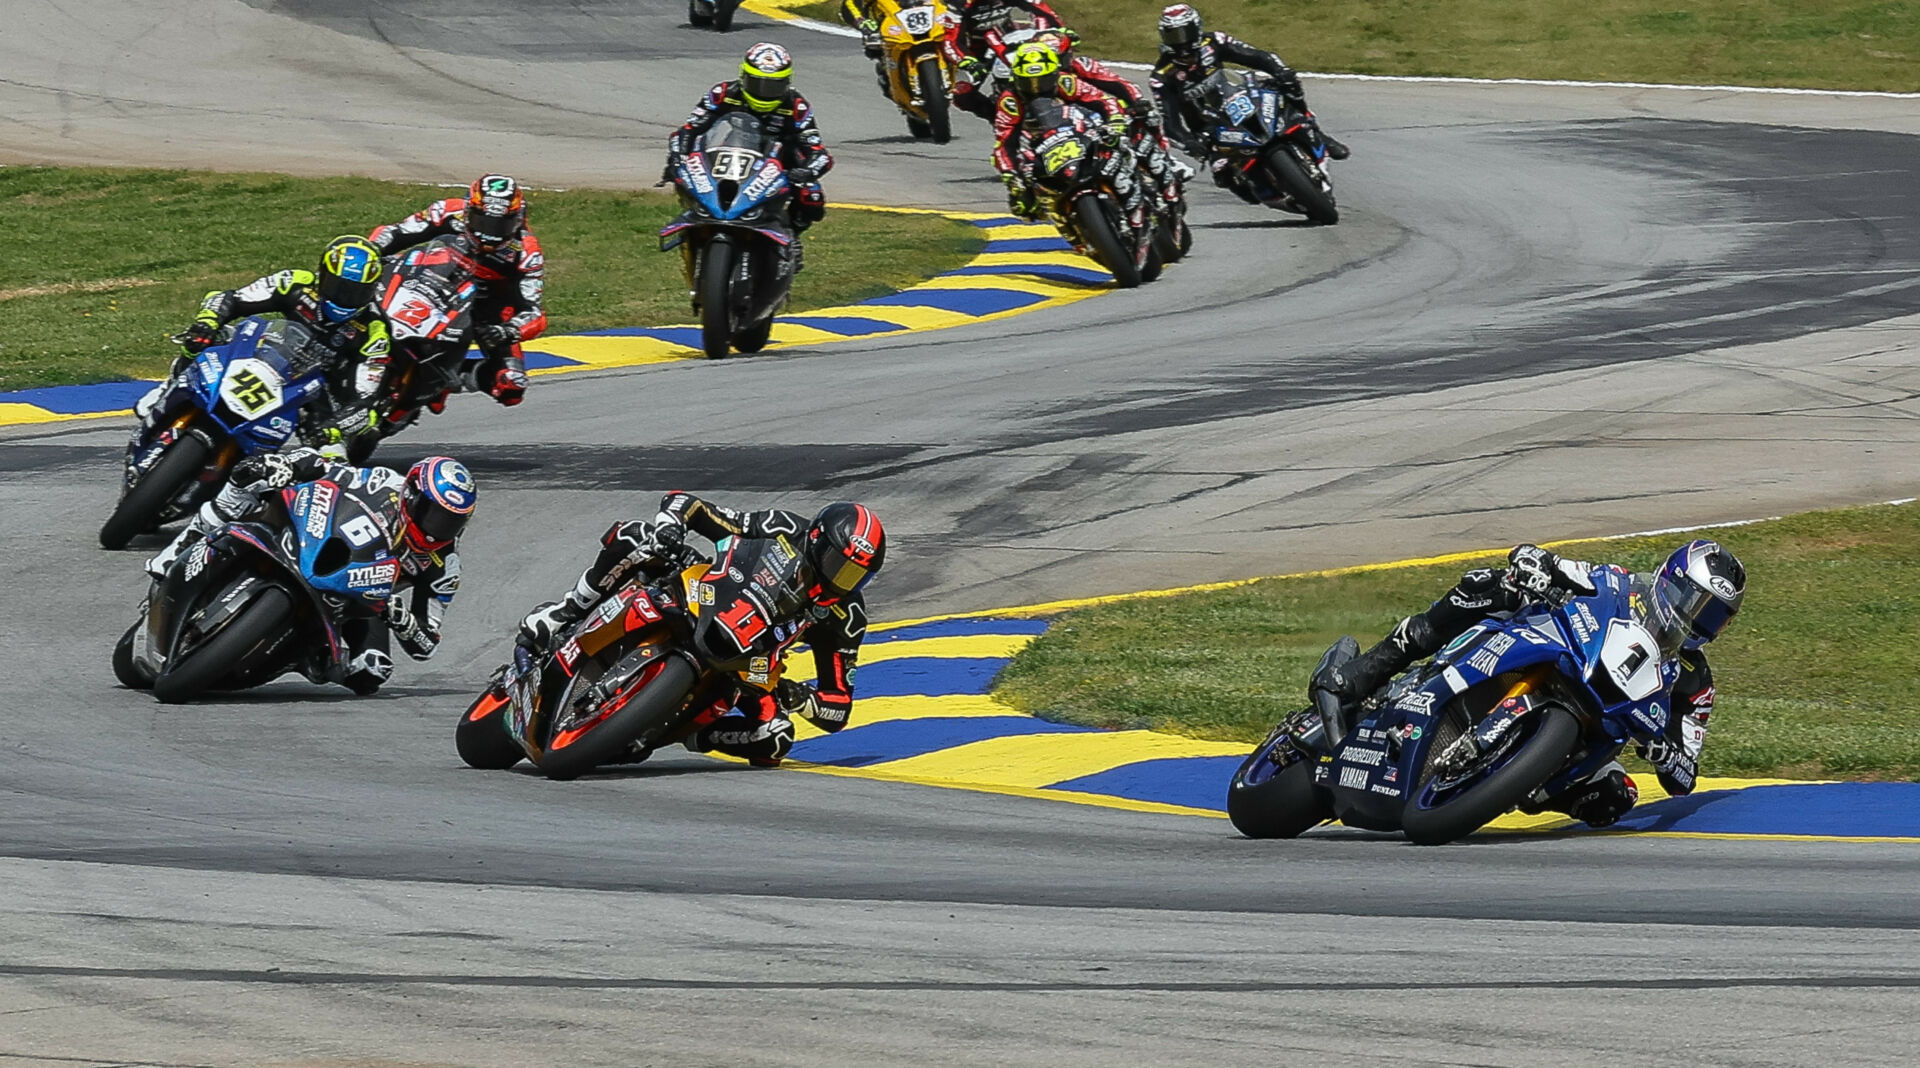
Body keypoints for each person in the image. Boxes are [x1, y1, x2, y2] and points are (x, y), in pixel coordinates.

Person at [1313, 540, 1746, 828]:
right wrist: (1536, 565)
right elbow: (1550, 562)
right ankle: (1368, 670)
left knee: (1615, 796)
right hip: (1552, 651)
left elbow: (1685, 773)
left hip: (1597, 726)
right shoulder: (1616, 580)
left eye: (1712, 615)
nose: (1696, 618)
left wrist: (1662, 752)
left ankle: (1515, 782)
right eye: (1694, 602)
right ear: (1670, 581)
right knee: (1487, 587)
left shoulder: (1695, 681)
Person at [517, 492, 886, 768]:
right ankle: (563, 614)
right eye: (839, 566)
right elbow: (689, 506)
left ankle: (687, 735)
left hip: (750, 665)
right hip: (709, 593)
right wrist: (670, 527)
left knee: (774, 740)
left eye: (856, 576)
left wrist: (799, 697)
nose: (843, 580)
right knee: (637, 538)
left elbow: (837, 709)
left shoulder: (846, 615)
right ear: (818, 542)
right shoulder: (784, 527)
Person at [144, 449, 476, 694]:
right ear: (412, 495)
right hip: (320, 536)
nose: (438, 530)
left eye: (452, 522)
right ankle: (175, 554)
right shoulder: (384, 482)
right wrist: (284, 464)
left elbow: (427, 641)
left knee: (372, 673)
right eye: (434, 515)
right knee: (248, 478)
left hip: (362, 601)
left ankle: (306, 660)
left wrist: (403, 622)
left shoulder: (444, 565)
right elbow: (327, 467)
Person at [132, 236, 391, 451]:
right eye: (339, 287)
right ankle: (170, 386)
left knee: (332, 461)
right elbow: (230, 298)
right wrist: (207, 322)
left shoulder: (374, 330)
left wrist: (334, 428)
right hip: (272, 356)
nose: (345, 298)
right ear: (322, 275)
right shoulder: (295, 282)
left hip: (316, 393)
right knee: (206, 339)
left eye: (357, 292)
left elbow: (367, 402)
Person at [368, 174, 545, 407]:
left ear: (518, 219)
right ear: (469, 210)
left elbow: (534, 313)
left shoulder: (527, 253)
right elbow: (393, 233)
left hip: (484, 309)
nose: (489, 233)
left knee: (511, 386)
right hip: (430, 278)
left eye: (501, 225)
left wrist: (508, 331)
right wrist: (368, 251)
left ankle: (445, 379)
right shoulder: (447, 211)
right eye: (483, 221)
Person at [1150, 3, 1350, 198]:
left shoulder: (1214, 42)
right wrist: (1189, 143)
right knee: (1225, 176)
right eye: (1172, 35)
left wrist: (1281, 71)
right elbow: (1170, 124)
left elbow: (1259, 57)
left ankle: (1319, 134)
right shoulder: (1161, 77)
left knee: (1288, 86)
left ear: (1196, 28)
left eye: (1184, 32)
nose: (1180, 41)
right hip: (1209, 127)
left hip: (1239, 95)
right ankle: (1264, 185)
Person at [666, 43, 833, 244]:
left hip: (782, 157)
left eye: (774, 86)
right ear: (743, 77)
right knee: (677, 171)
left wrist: (807, 172)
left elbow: (818, 151)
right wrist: (678, 157)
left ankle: (792, 237)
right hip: (733, 151)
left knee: (812, 198)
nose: (765, 93)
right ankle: (697, 223)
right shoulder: (723, 92)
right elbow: (690, 129)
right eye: (757, 84)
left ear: (787, 83)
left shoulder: (797, 105)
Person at [991, 42, 1144, 223]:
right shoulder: (1010, 101)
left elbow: (1101, 99)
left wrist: (1115, 119)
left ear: (1054, 74)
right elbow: (1003, 143)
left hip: (1083, 130)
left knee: (1125, 136)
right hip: (1042, 147)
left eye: (1042, 80)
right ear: (1015, 78)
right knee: (1022, 205)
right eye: (1028, 82)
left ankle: (1144, 179)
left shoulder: (1065, 82)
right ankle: (1070, 225)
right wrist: (1010, 174)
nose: (1035, 88)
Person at [1033, 28, 1192, 189]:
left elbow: (1119, 84)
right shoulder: (1033, 83)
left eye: (1062, 57)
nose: (1059, 65)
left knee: (1147, 114)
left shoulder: (1083, 65)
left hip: (1101, 114)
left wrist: (1137, 101)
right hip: (1066, 127)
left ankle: (1166, 158)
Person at [950, 0, 1064, 120]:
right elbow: (951, 41)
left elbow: (1046, 13)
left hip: (1017, 39)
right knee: (961, 94)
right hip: (979, 50)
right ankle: (999, 118)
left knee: (1063, 62)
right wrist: (968, 61)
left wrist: (1059, 34)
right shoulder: (958, 3)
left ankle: (1077, 104)